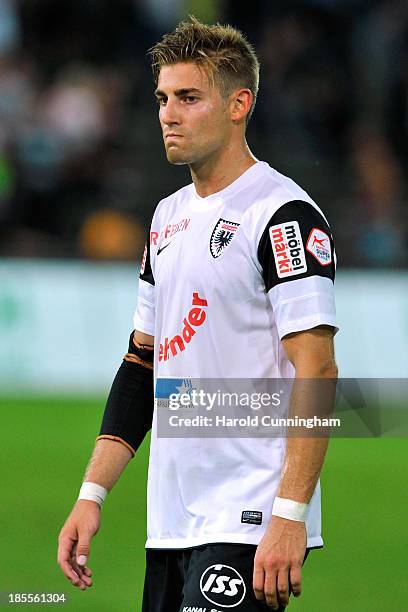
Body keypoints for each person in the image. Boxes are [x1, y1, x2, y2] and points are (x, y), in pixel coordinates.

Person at [57, 17, 338, 611]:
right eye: (162, 98)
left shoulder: (283, 213)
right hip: (173, 518)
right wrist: (92, 493)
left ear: (240, 104)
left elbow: (317, 370)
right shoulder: (166, 218)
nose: (168, 113)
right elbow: (142, 363)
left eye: (188, 97)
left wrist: (289, 516)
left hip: (252, 518)